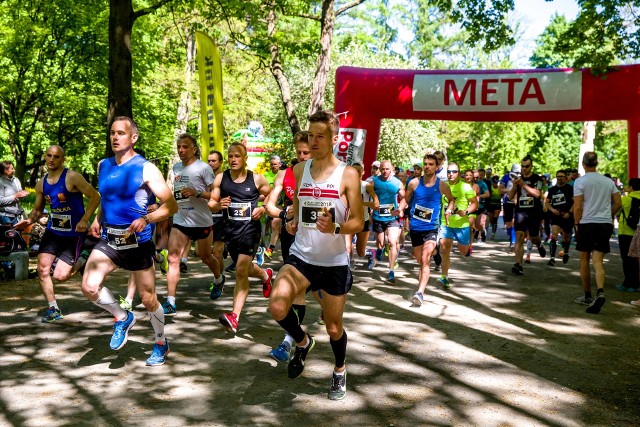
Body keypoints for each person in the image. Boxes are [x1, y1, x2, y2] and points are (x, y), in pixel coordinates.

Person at [268, 109, 363, 400]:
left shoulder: (348, 174)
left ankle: (339, 369)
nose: (314, 140)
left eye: (321, 136)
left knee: (334, 327)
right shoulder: (299, 170)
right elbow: (296, 207)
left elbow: (359, 221)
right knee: (277, 305)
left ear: (335, 139)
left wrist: (336, 227)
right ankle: (303, 340)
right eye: (311, 135)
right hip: (302, 257)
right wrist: (291, 221)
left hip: (333, 262)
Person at [81, 116, 178, 366]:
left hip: (137, 242)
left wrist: (147, 218)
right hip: (110, 239)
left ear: (133, 137)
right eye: (112, 133)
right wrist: (96, 217)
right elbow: (107, 197)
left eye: (121, 133)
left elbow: (171, 205)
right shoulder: (103, 165)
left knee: (148, 299)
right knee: (89, 286)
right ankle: (122, 317)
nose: (115, 137)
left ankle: (160, 343)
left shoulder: (145, 168)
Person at [18, 145, 100, 323]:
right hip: (53, 232)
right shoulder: (42, 183)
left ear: (62, 159)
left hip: (74, 235)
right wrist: (29, 221)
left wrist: (85, 219)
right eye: (49, 156)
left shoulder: (72, 177)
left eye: (56, 157)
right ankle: (53, 308)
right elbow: (37, 210)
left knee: (61, 276)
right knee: (42, 269)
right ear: (45, 157)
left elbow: (95, 196)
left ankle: (85, 254)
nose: (51, 160)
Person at [209, 143, 273, 334]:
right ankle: (265, 275)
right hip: (231, 231)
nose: (233, 159)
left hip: (250, 230)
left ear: (245, 158)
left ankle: (234, 316)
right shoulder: (222, 178)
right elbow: (212, 203)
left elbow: (270, 194)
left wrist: (263, 208)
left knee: (239, 271)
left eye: (238, 156)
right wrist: (218, 204)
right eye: (230, 156)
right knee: (243, 269)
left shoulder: (256, 179)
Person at [162, 134, 223, 316]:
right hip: (181, 220)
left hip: (201, 220)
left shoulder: (203, 168)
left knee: (205, 256)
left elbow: (214, 196)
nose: (181, 150)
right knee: (173, 258)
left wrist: (197, 193)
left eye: (185, 147)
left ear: (194, 149)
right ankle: (171, 301)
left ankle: (219, 279)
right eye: (179, 147)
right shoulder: (176, 167)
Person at [264, 131, 313, 363]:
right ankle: (289, 341)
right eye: (299, 152)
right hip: (291, 235)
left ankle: (293, 339)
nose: (302, 156)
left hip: (317, 238)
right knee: (296, 291)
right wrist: (285, 213)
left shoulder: (324, 174)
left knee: (315, 294)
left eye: (307, 152)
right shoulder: (285, 174)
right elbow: (270, 206)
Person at [573, 151, 621, 314]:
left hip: (587, 223)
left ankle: (587, 295)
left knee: (584, 259)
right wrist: (609, 214)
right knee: (598, 260)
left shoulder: (580, 182)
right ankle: (600, 291)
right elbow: (618, 203)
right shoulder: (608, 182)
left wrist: (576, 223)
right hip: (605, 224)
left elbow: (578, 206)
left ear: (583, 164)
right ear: (597, 163)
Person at [405, 154, 454, 306]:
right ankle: (435, 253)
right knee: (420, 260)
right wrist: (400, 210)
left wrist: (449, 209)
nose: (427, 166)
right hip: (415, 228)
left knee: (425, 259)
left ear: (436, 167)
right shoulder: (414, 183)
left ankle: (420, 293)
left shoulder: (441, 185)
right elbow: (406, 200)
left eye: (431, 164)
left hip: (431, 228)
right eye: (425, 164)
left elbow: (451, 199)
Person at [437, 163, 478, 288]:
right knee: (444, 250)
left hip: (462, 225)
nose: (451, 174)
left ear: (459, 173)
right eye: (449, 171)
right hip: (446, 224)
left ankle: (467, 248)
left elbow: (475, 204)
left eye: (454, 171)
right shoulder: (443, 186)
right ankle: (444, 276)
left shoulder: (465, 187)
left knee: (463, 251)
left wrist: (465, 212)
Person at [509, 155, 546, 275]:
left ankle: (539, 244)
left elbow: (537, 194)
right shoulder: (518, 179)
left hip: (534, 212)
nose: (524, 168)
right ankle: (518, 264)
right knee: (519, 236)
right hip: (520, 211)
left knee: (533, 237)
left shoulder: (538, 179)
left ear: (531, 166)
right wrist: (515, 186)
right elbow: (510, 197)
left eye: (527, 166)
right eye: (522, 166)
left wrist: (523, 185)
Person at [371, 160, 405, 283]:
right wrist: (371, 206)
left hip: (392, 217)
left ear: (392, 170)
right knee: (381, 243)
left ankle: (391, 271)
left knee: (392, 241)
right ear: (380, 169)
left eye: (387, 169)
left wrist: (400, 209)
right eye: (383, 169)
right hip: (378, 216)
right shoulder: (374, 181)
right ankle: (379, 250)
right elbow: (367, 194)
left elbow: (404, 198)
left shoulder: (397, 183)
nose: (385, 171)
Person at [346, 162, 378, 270]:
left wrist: (361, 204)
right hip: (348, 220)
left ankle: (370, 253)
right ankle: (350, 261)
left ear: (362, 172)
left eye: (358, 171)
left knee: (361, 252)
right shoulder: (345, 185)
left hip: (363, 221)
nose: (355, 173)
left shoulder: (367, 186)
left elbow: (376, 204)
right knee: (347, 246)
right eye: (353, 171)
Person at [207, 150, 227, 300]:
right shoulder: (203, 176)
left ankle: (218, 281)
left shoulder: (226, 178)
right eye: (209, 160)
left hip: (222, 219)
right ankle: (220, 276)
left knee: (217, 252)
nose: (210, 163)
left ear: (220, 162)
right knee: (206, 253)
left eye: (214, 161)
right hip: (206, 218)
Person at [545, 169, 574, 266]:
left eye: (561, 176)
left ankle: (565, 252)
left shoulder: (570, 189)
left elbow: (576, 202)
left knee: (566, 237)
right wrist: (552, 209)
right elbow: (547, 202)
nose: (559, 178)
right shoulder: (552, 189)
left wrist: (569, 213)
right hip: (556, 215)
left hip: (567, 216)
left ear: (566, 177)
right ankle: (552, 258)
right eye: (558, 176)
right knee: (554, 235)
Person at [616, 178, 640, 292]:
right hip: (638, 232)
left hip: (626, 232)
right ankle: (637, 284)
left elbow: (616, 211)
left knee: (627, 258)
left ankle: (628, 283)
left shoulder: (625, 199)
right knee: (636, 259)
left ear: (630, 187)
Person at [264, 154, 284, 259]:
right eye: (271, 164)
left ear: (280, 164)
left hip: (280, 204)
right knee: (272, 226)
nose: (273, 166)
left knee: (275, 224)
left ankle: (270, 249)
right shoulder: (266, 175)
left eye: (275, 164)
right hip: (268, 203)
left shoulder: (283, 174)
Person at [0, 161, 29, 226]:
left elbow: (19, 195)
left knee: (17, 234)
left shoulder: (16, 180)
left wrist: (23, 195)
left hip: (17, 215)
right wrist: (15, 196)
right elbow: (0, 201)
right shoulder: (0, 182)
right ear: (5, 170)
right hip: (5, 215)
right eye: (12, 168)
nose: (14, 170)